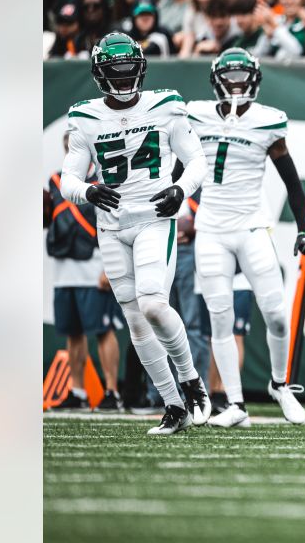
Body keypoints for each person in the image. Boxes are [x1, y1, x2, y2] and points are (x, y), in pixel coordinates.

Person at [57, 32, 210, 434]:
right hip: (111, 227)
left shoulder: (166, 105)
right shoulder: (85, 117)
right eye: (115, 73)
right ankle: (173, 405)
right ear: (99, 74)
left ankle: (192, 380)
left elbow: (197, 162)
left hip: (154, 219)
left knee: (154, 305)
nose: (124, 81)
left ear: (141, 69)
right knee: (135, 322)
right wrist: (88, 190)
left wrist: (181, 188)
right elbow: (67, 180)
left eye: (128, 72)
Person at [184, 49, 305, 428]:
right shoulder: (196, 114)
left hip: (252, 226)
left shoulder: (267, 122)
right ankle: (235, 404)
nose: (238, 85)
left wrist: (304, 228)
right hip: (211, 228)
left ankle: (279, 384)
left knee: (275, 311)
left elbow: (292, 182)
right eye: (231, 77)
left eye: (243, 77)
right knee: (219, 318)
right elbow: (180, 168)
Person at [46, 133, 123, 412]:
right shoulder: (56, 181)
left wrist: (110, 267)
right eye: (67, 147)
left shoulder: (105, 181)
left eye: (75, 146)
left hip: (94, 266)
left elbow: (116, 225)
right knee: (73, 333)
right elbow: (51, 219)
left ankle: (112, 392)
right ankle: (77, 392)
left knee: (103, 330)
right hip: (64, 267)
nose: (70, 151)